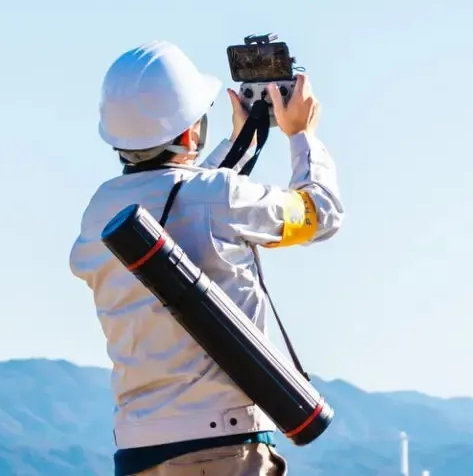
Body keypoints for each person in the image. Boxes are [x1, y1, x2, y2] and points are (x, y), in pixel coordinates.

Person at [71, 41, 344, 476]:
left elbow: (182, 198)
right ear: (189, 133)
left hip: (139, 451)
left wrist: (240, 142)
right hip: (225, 446)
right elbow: (320, 214)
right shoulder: (221, 198)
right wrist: (301, 135)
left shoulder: (99, 213)